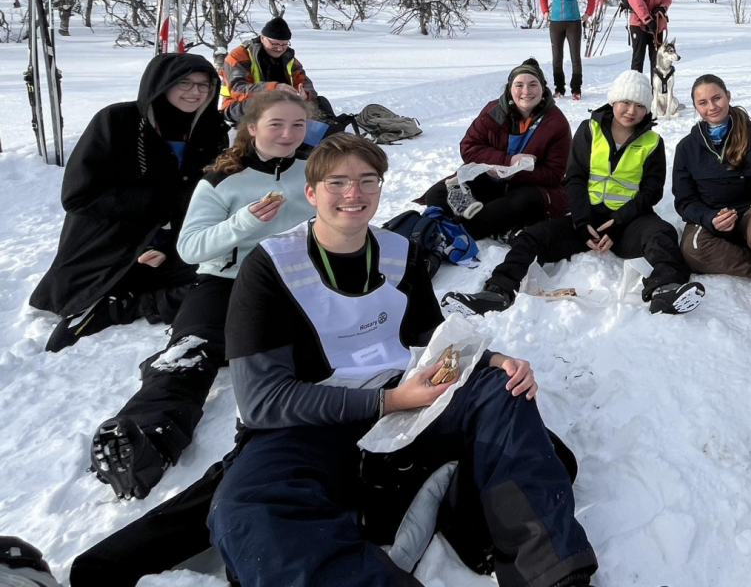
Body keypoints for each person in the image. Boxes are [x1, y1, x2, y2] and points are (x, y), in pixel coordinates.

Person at [207, 134, 598, 587]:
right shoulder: (270, 266)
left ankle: (549, 573)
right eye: (337, 182)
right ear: (311, 193)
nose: (354, 194)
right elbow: (263, 401)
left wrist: (488, 360)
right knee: (247, 508)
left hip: (408, 404)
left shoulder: (398, 250)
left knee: (502, 391)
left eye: (367, 180)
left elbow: (427, 337)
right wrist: (386, 401)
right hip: (310, 424)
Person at [89, 91, 315, 501]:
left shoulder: (316, 169)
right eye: (276, 124)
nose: (288, 134)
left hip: (296, 278)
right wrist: (242, 222)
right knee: (190, 354)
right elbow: (191, 249)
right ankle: (145, 442)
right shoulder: (221, 181)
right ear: (251, 128)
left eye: (297, 125)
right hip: (227, 281)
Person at [443, 70, 705, 317]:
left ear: (647, 108)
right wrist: (582, 222)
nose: (631, 111)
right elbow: (575, 178)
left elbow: (651, 191)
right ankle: (498, 290)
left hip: (628, 220)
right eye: (625, 102)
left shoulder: (652, 142)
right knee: (532, 237)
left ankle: (666, 289)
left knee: (662, 234)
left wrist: (618, 223)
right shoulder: (589, 130)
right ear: (613, 101)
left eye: (639, 105)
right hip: (585, 217)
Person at [30, 54, 228, 353]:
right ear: (161, 84)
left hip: (177, 241)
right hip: (113, 244)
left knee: (231, 277)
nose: (195, 91)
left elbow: (208, 197)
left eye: (204, 84)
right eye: (184, 82)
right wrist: (155, 214)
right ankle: (110, 297)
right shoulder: (116, 121)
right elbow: (78, 195)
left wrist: (166, 244)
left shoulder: (212, 128)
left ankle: (124, 306)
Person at [673, 74, 751, 323]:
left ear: (728, 96)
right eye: (703, 102)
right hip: (713, 217)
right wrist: (709, 218)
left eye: (717, 98)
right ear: (696, 106)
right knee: (691, 249)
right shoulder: (687, 147)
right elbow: (684, 201)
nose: (711, 107)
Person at [420, 59, 571, 241]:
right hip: (490, 179)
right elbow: (469, 147)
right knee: (436, 195)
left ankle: (463, 226)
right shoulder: (494, 110)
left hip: (528, 188)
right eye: (519, 85)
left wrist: (513, 173)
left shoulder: (556, 122)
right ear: (510, 88)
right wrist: (507, 162)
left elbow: (555, 174)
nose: (526, 91)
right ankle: (495, 224)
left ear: (542, 88)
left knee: (520, 203)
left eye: (533, 84)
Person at [220, 16, 333, 125]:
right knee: (269, 105)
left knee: (320, 103)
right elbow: (238, 89)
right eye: (275, 44)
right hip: (237, 106)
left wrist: (305, 94)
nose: (280, 48)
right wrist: (274, 89)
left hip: (283, 102)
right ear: (262, 38)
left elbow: (305, 84)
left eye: (284, 45)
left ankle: (327, 136)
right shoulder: (239, 56)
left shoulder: (289, 59)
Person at [540, 0, 596, 100]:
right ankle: (559, 88)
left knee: (575, 57)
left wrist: (587, 14)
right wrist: (545, 12)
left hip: (573, 23)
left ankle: (576, 89)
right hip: (556, 23)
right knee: (557, 57)